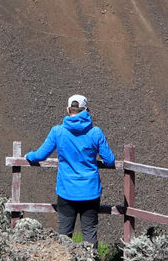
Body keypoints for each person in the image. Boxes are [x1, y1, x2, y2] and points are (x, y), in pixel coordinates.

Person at [25, 94, 116, 244]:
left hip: (66, 191)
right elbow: (110, 160)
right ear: (86, 109)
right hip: (90, 191)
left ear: (68, 110)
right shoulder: (95, 132)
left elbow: (40, 155)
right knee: (89, 233)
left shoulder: (57, 132)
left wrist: (29, 156)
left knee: (64, 235)